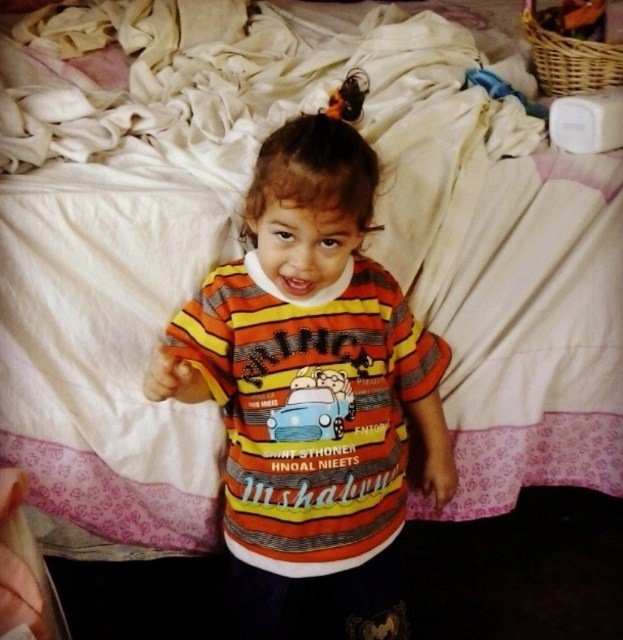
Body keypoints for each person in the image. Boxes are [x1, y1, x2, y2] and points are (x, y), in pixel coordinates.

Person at [143, 69, 458, 640]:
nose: (304, 263)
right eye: (284, 235)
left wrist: (440, 452)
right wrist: (173, 379)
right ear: (254, 218)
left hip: (371, 519)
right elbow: (205, 379)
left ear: (360, 234)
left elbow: (416, 378)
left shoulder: (377, 291)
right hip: (268, 530)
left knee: (378, 621)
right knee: (256, 622)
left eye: (330, 241)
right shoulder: (229, 295)